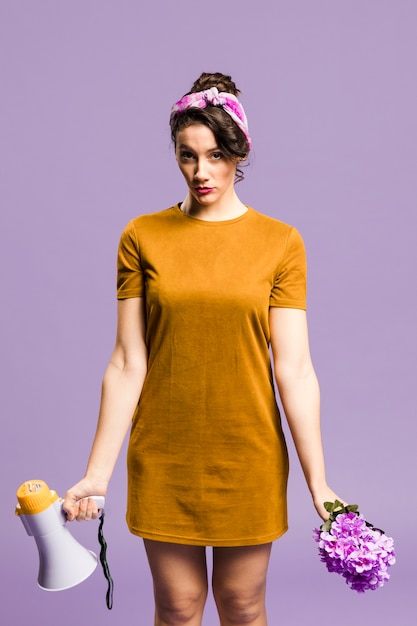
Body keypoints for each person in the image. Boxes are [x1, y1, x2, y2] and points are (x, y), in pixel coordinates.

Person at [64, 72, 345, 626]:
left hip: (248, 454)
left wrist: (321, 484)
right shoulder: (142, 235)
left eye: (216, 155)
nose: (201, 171)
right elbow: (127, 361)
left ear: (239, 153)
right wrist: (97, 474)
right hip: (166, 454)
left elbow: (295, 367)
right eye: (188, 155)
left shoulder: (281, 242)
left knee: (241, 606)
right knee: (178, 606)